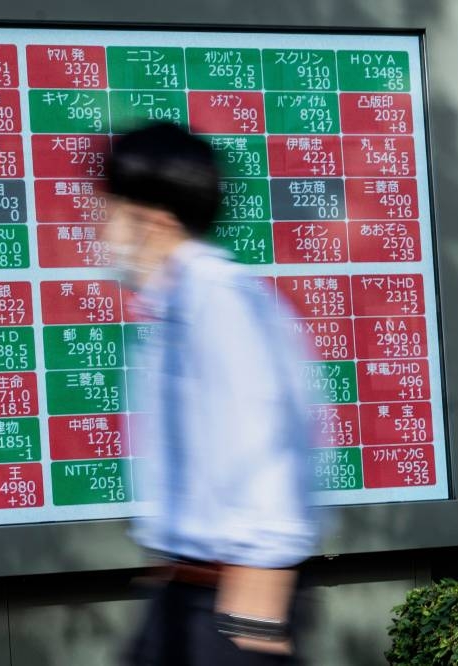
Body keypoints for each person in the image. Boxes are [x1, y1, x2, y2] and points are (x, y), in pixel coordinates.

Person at [103, 122, 318, 665]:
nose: (100, 229)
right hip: (182, 597)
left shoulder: (224, 308)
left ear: (149, 219)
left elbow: (272, 465)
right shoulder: (172, 308)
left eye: (109, 211)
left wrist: (251, 632)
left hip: (224, 612)